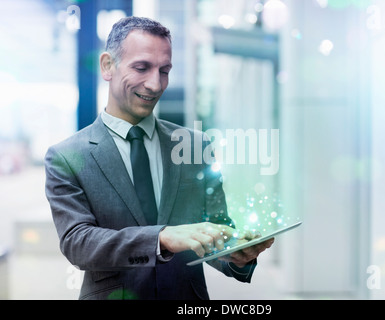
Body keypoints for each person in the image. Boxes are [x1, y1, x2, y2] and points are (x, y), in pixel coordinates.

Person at [44, 16, 274, 300]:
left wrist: (236, 254)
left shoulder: (195, 145)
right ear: (107, 65)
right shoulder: (66, 156)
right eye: (142, 68)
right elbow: (78, 243)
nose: (155, 84)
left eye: (164, 70)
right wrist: (160, 238)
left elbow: (214, 230)